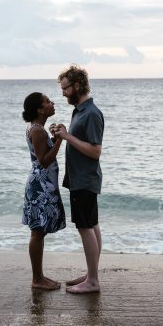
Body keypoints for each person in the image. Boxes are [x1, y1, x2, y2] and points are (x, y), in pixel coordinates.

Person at [53, 65, 104, 294]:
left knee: (85, 227)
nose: (63, 93)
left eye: (65, 88)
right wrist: (64, 132)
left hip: (85, 179)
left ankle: (92, 281)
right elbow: (77, 139)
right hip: (80, 178)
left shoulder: (91, 113)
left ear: (77, 86)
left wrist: (67, 137)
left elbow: (95, 151)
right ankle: (91, 273)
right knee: (91, 225)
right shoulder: (80, 111)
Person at [22, 92, 66, 290]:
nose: (52, 103)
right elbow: (44, 160)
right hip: (40, 187)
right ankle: (37, 279)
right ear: (40, 109)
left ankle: (39, 277)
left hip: (43, 185)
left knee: (39, 233)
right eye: (48, 101)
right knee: (37, 233)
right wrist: (59, 140)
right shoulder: (37, 130)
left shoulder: (38, 128)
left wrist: (53, 136)